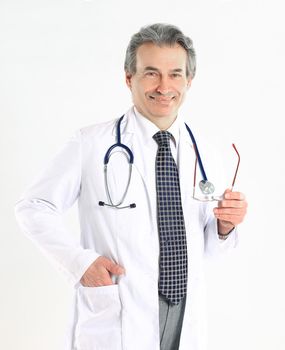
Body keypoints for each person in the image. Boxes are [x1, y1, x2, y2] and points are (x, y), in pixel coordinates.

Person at [15, 23, 247, 350]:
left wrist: (224, 226)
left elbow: (208, 247)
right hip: (120, 309)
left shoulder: (205, 152)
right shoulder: (90, 144)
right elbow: (33, 207)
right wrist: (80, 264)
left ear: (189, 81)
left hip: (185, 313)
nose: (164, 86)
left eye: (175, 74)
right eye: (151, 73)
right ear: (129, 78)